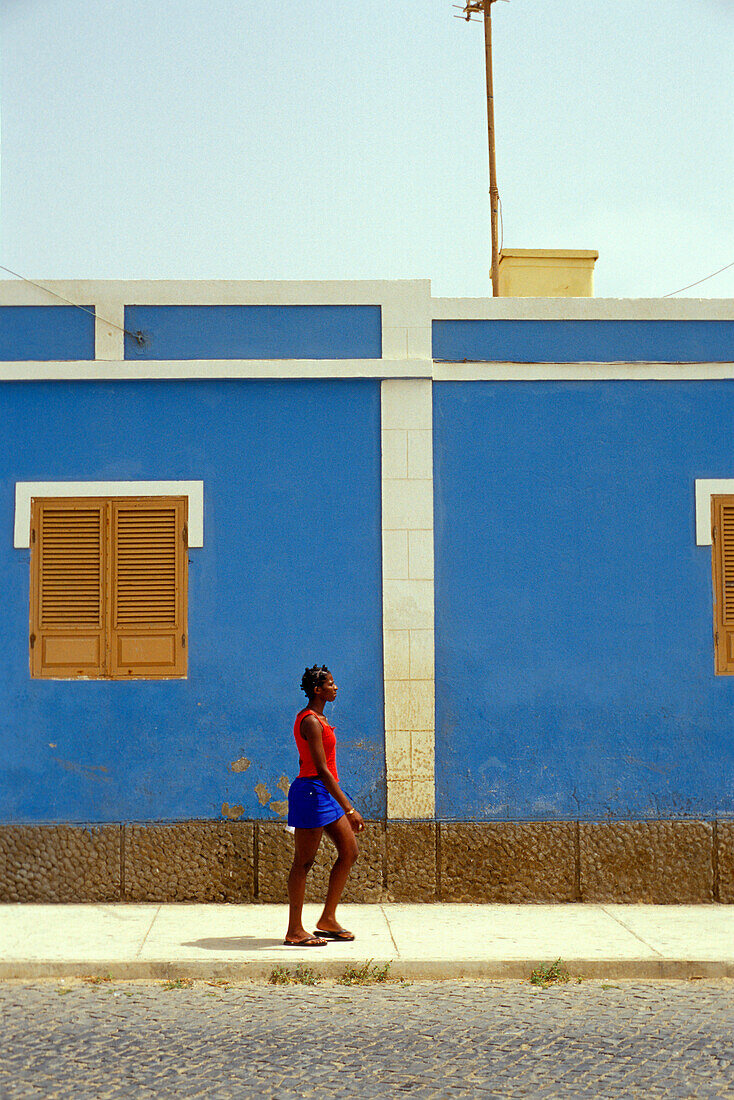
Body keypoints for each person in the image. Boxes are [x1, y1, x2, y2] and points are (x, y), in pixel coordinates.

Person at [284, 665, 365, 946]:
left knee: (349, 851)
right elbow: (320, 769)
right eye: (331, 684)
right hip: (312, 793)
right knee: (303, 863)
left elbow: (307, 760)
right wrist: (349, 809)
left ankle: (327, 919)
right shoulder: (310, 721)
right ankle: (295, 930)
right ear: (317, 690)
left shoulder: (319, 718)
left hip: (324, 793)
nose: (335, 687)